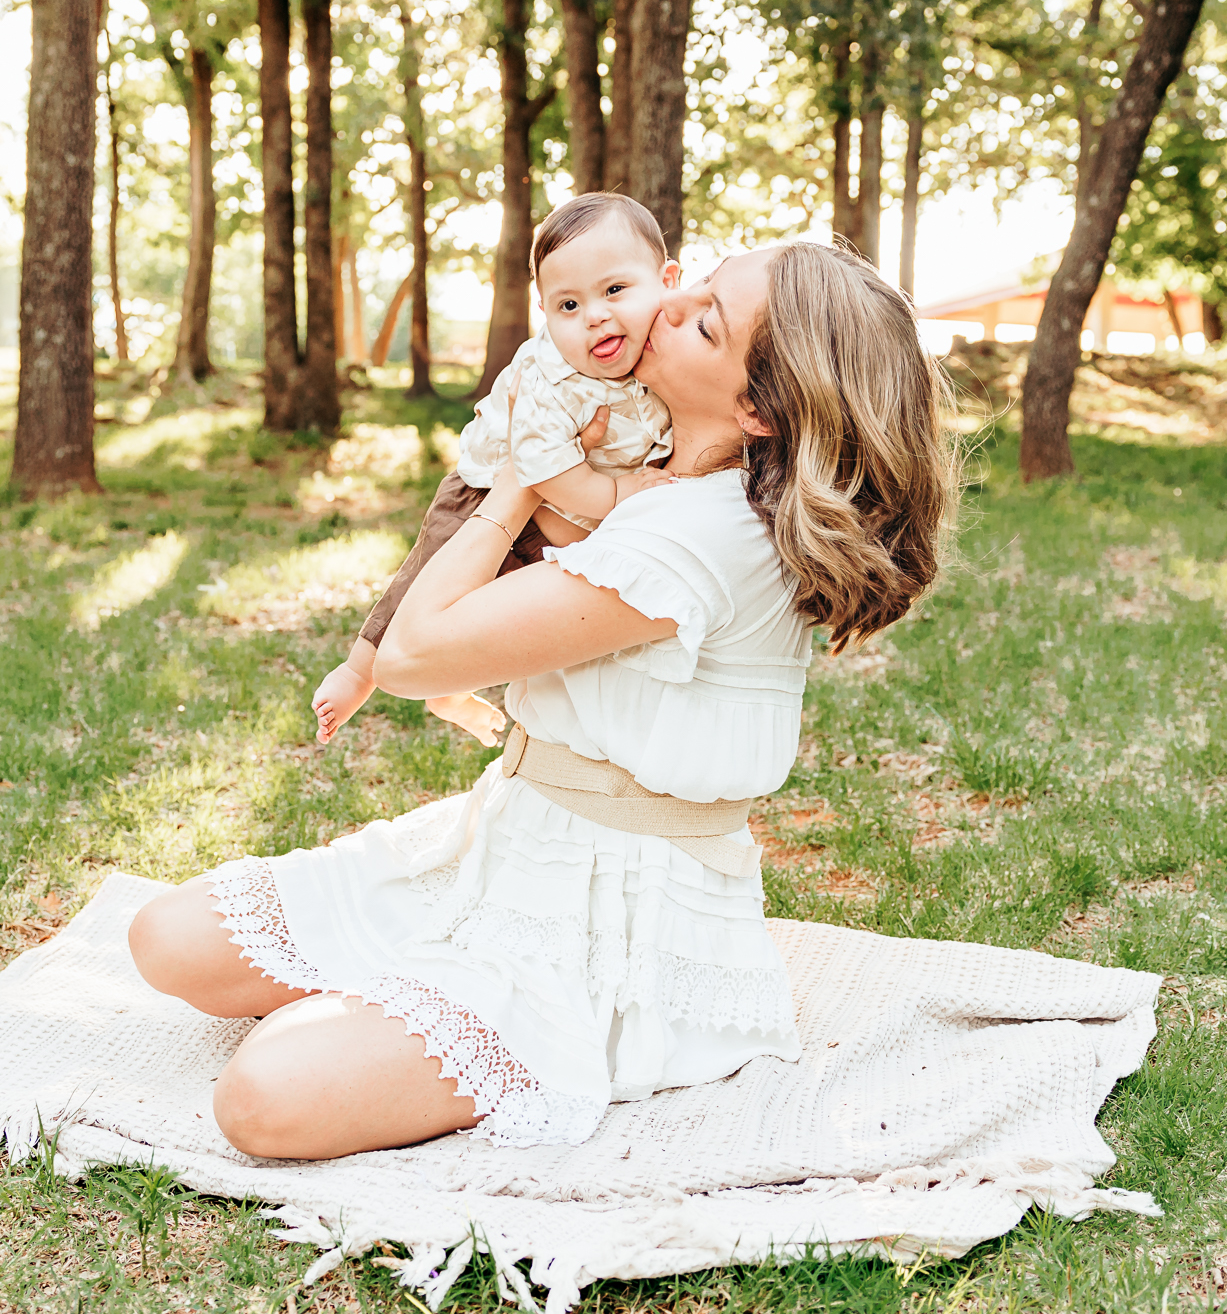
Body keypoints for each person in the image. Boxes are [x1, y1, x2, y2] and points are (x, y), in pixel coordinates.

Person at [128, 242, 953, 1159]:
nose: (668, 306)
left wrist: (520, 474)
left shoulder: (699, 537)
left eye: (706, 321)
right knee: (169, 939)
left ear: (756, 407)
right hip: (514, 836)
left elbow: (412, 655)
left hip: (608, 922)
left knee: (264, 1099)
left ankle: (406, 1018)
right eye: (696, 285)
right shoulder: (670, 477)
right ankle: (391, 1003)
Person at [311, 193, 680, 750]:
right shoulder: (549, 375)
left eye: (614, 290)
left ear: (667, 281)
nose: (595, 315)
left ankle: (450, 689)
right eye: (568, 306)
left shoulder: (661, 358)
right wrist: (617, 492)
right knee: (426, 579)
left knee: (493, 614)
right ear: (546, 314)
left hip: (563, 513)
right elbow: (542, 469)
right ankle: (358, 672)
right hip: (485, 493)